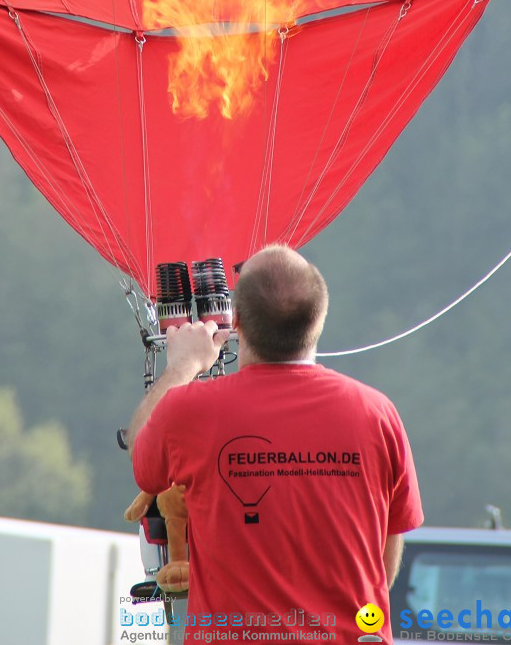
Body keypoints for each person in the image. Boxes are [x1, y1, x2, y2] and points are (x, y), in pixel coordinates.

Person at [128, 244, 423, 644]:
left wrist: (183, 364)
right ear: (318, 321)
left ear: (238, 326)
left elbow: (141, 454)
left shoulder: (191, 410)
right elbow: (382, 569)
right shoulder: (378, 414)